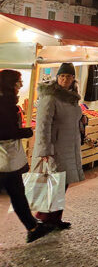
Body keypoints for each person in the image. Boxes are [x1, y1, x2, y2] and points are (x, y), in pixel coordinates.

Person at [31, 62, 85, 229]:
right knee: (53, 183)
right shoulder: (50, 97)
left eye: (68, 76)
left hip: (69, 145)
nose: (65, 79)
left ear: (73, 79)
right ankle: (42, 217)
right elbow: (43, 125)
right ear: (57, 77)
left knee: (62, 183)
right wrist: (44, 149)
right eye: (62, 76)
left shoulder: (72, 98)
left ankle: (55, 218)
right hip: (55, 147)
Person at [0, 70, 52, 242]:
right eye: (18, 82)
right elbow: (5, 131)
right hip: (5, 157)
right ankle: (32, 226)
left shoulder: (7, 101)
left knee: (18, 192)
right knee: (16, 192)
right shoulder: (4, 103)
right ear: (10, 84)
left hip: (9, 156)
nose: (21, 85)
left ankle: (33, 225)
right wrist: (25, 132)